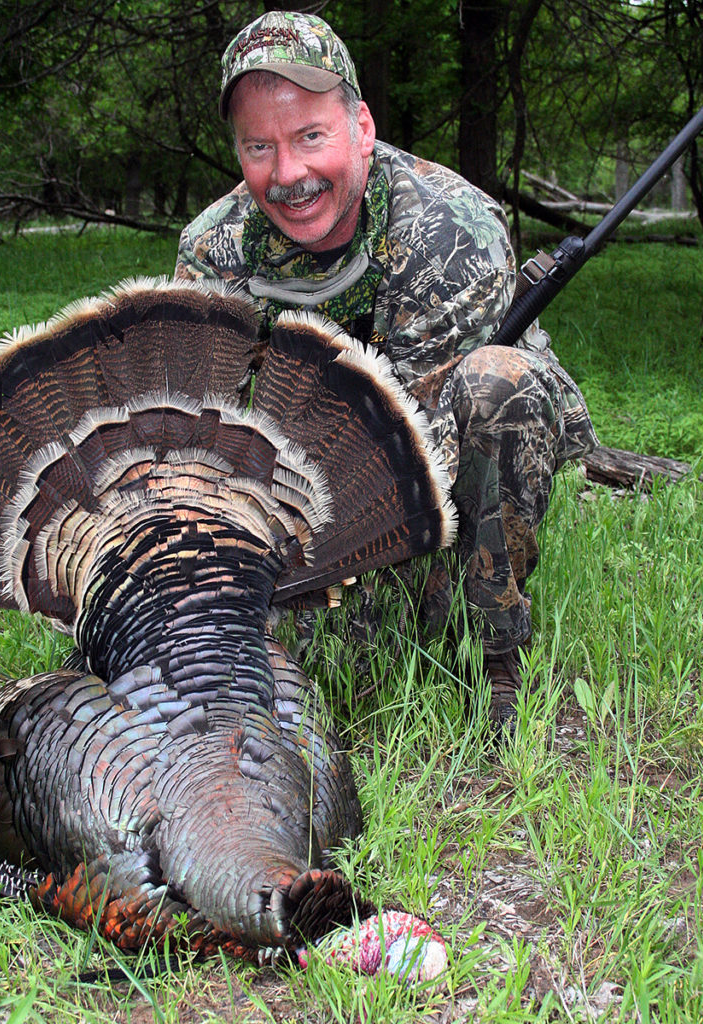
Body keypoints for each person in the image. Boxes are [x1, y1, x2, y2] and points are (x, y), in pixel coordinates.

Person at [174, 11, 597, 731]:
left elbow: (423, 459)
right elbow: (203, 432)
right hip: (299, 477)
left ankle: (487, 649)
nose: (289, 175)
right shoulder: (214, 249)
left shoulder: (447, 226)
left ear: (361, 127)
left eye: (311, 136)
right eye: (259, 147)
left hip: (435, 452)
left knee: (498, 384)